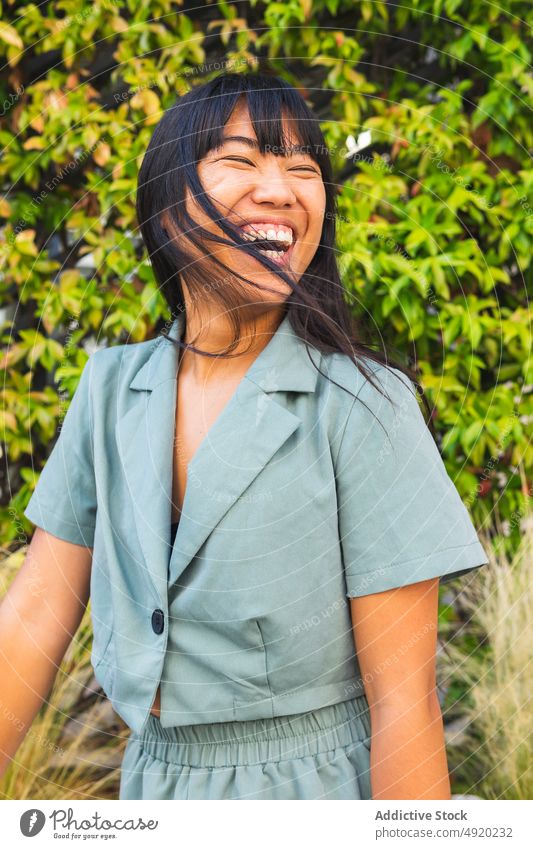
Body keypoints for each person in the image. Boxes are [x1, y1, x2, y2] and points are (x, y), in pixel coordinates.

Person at [0, 71, 489, 800]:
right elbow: (34, 617)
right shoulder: (109, 392)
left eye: (303, 168)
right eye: (240, 159)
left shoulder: (362, 405)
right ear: (166, 205)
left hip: (315, 791)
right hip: (154, 790)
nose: (283, 189)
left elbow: (404, 699)